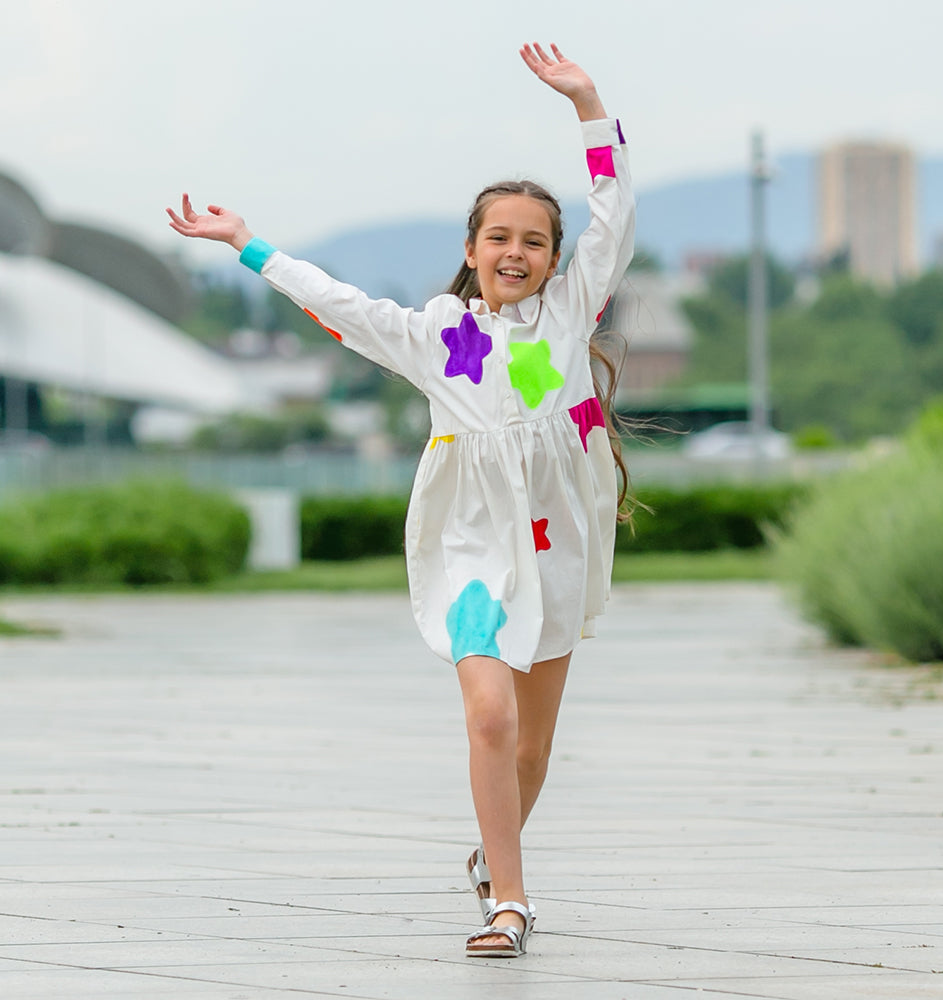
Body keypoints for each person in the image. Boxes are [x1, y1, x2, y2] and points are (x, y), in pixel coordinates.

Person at [167, 41, 634, 959]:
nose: (515, 251)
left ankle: (490, 857)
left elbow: (614, 217)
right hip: (468, 543)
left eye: (534, 240)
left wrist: (588, 104)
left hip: (554, 543)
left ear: (552, 258)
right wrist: (244, 243)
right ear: (471, 249)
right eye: (498, 237)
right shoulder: (434, 337)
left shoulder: (571, 314)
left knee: (532, 752)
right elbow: (338, 304)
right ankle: (510, 900)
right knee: (489, 716)